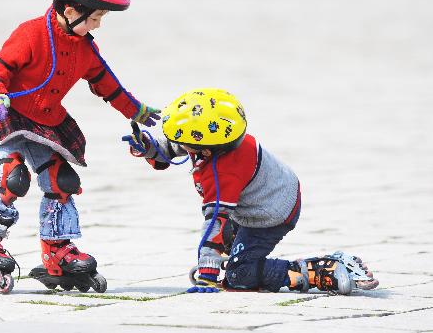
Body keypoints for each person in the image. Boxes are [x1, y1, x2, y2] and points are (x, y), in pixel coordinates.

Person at [0, 0, 160, 294]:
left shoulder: (85, 47)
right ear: (72, 10)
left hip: (48, 122)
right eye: (97, 17)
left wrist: (137, 111)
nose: (99, 25)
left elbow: (107, 84)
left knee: (62, 181)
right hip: (10, 117)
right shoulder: (31, 33)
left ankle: (58, 250)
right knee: (11, 178)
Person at [122, 88, 379, 294]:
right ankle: (242, 253)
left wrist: (208, 271)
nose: (179, 146)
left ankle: (323, 270)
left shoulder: (223, 173)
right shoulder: (221, 140)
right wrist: (148, 146)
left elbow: (215, 222)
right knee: (233, 249)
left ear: (206, 150)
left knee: (239, 275)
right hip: (262, 197)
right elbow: (173, 149)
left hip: (268, 216)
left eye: (187, 145)